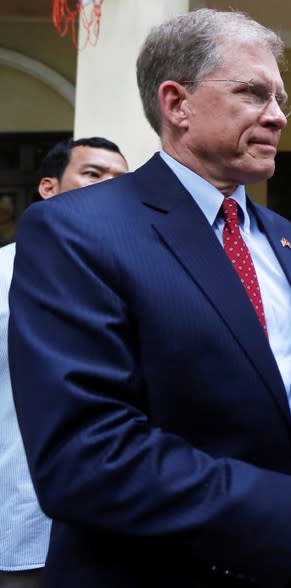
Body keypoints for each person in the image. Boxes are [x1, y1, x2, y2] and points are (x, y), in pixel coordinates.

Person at [7, 10, 291, 588]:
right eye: (252, 93)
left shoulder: (287, 240)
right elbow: (86, 457)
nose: (276, 117)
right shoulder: (76, 230)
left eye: (280, 100)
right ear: (177, 104)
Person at [0, 137, 127, 588]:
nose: (110, 189)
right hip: (20, 511)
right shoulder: (3, 275)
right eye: (93, 175)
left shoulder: (135, 277)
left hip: (121, 521)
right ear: (48, 189)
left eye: (120, 181)